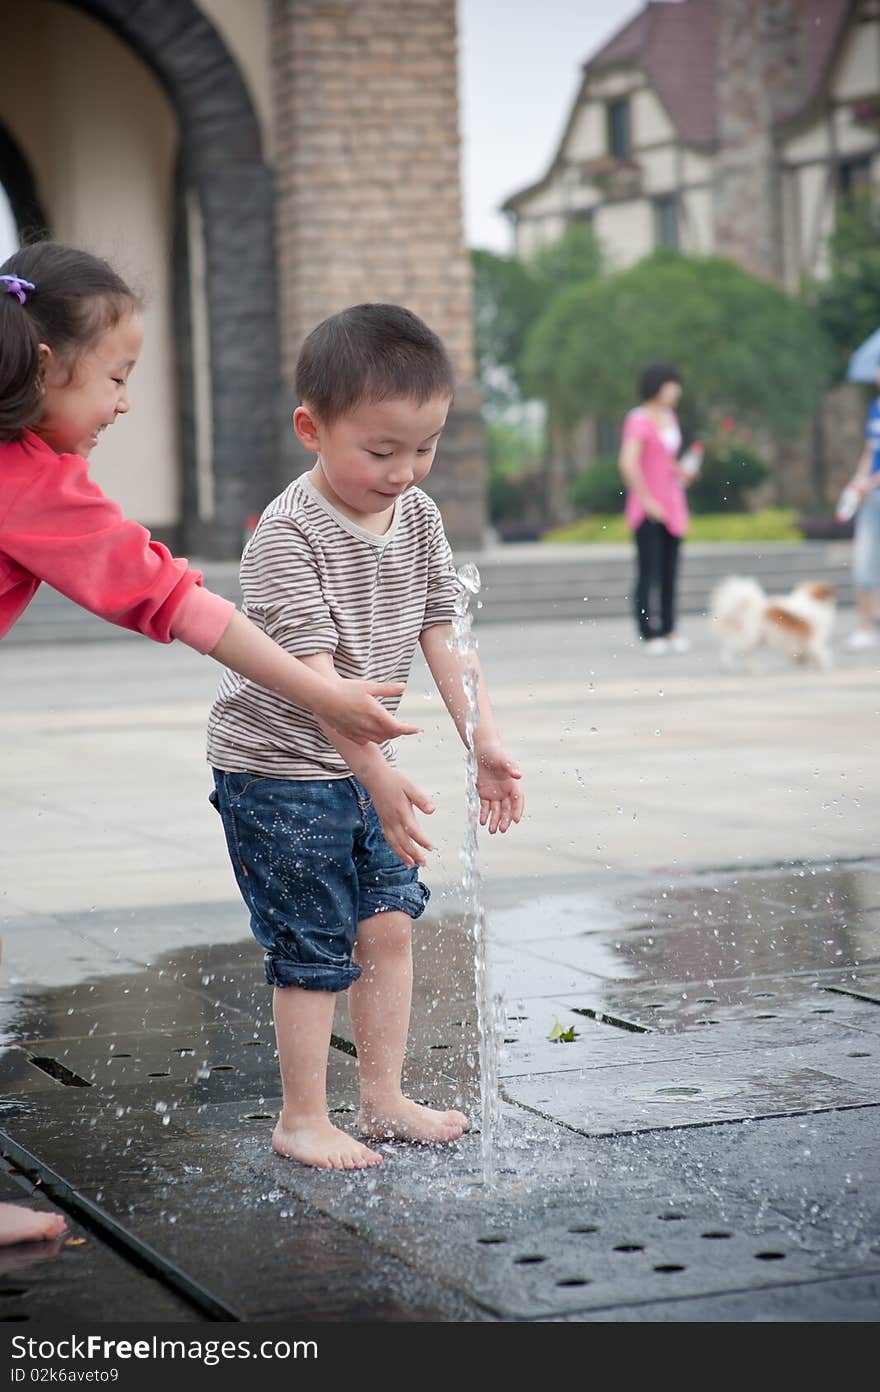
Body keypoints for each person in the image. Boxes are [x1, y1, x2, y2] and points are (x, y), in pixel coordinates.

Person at [0, 243, 416, 1243]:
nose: (124, 402)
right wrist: (328, 695)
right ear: (45, 363)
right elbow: (176, 602)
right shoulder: (31, 480)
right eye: (115, 377)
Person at [208, 303, 524, 1171]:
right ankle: (301, 1117)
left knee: (388, 923)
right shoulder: (287, 536)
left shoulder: (418, 520)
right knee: (313, 939)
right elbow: (319, 688)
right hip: (277, 769)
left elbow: (446, 634)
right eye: (380, 451)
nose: (403, 472)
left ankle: (381, 1099)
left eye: (423, 449)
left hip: (362, 762)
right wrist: (378, 776)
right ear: (311, 427)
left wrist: (481, 740)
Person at [618, 363, 695, 654]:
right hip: (647, 507)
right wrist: (647, 500)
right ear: (657, 386)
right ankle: (648, 632)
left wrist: (681, 472)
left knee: (670, 570)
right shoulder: (638, 420)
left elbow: (665, 459)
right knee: (648, 570)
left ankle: (669, 629)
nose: (677, 390)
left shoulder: (670, 418)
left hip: (673, 504)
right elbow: (628, 462)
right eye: (672, 384)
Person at [843, 366, 880, 650]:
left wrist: (869, 483)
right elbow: (870, 451)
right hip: (871, 496)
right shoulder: (875, 408)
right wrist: (859, 481)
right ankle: (865, 625)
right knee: (864, 558)